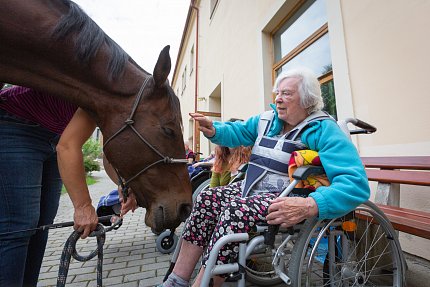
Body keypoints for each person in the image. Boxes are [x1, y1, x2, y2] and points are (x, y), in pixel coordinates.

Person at [159, 67, 370, 287]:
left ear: (307, 100)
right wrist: (214, 130)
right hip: (251, 189)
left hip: (286, 197)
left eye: (286, 93)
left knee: (235, 211)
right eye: (277, 92)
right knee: (206, 199)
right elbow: (239, 132)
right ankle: (176, 280)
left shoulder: (323, 129)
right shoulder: (267, 120)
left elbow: (355, 183)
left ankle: (204, 283)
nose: (278, 99)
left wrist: (310, 205)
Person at [0, 85, 136, 287]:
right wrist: (83, 206)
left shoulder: (121, 108)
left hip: (55, 133)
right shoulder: (104, 91)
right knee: (20, 225)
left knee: (41, 224)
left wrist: (123, 186)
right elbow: (68, 147)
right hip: (15, 121)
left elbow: (108, 153)